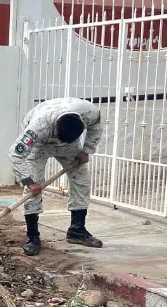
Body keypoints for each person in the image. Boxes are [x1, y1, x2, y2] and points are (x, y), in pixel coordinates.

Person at [9, 97, 104, 256]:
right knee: (32, 190)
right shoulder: (37, 127)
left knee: (81, 181)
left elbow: (96, 127)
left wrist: (86, 150)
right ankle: (32, 237)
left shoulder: (90, 113)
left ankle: (77, 231)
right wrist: (29, 181)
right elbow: (15, 155)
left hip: (70, 147)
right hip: (40, 145)